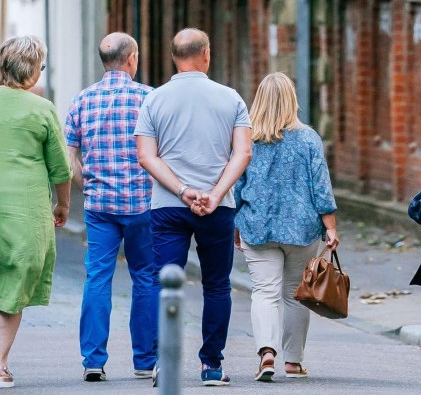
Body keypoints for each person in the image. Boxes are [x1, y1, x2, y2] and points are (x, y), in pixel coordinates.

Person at [134, 28, 252, 386]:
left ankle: (161, 364)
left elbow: (146, 156)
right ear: (206, 54)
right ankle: (211, 365)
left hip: (168, 205)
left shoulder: (154, 100)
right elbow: (243, 152)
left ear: (174, 57)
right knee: (217, 286)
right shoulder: (231, 98)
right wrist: (215, 194)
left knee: (164, 282)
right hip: (218, 208)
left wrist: (183, 190)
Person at [64, 32, 158, 382]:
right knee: (146, 278)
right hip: (143, 205)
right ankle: (145, 360)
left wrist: (85, 185)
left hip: (99, 205)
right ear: (132, 58)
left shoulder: (82, 100)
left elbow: (68, 156)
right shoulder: (150, 98)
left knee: (97, 278)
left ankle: (93, 359)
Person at [233, 72, 339, 382]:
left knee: (265, 292)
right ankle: (293, 362)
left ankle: (267, 353)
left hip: (258, 226)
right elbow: (322, 186)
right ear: (292, 100)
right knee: (295, 293)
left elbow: (237, 185)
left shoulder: (247, 139)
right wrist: (330, 226)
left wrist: (235, 222)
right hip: (301, 229)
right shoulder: (308, 138)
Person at [0, 35, 71, 389]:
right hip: (24, 208)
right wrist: (64, 205)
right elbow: (61, 169)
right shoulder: (42, 109)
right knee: (16, 279)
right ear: (31, 70)